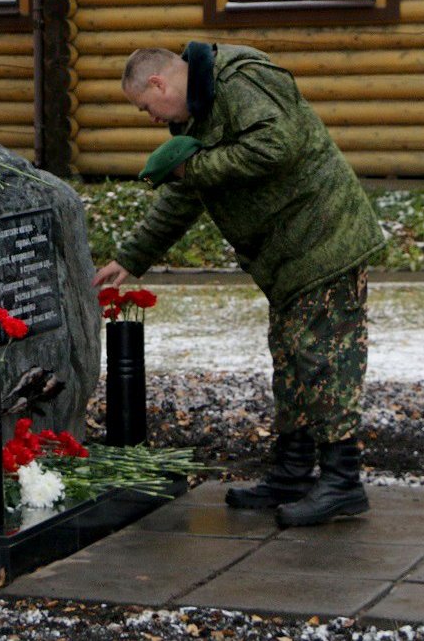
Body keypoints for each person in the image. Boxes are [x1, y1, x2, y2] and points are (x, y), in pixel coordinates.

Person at [92, 43, 386, 528]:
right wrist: (131, 257)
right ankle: (293, 473)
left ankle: (343, 482)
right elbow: (185, 195)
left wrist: (194, 166)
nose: (151, 119)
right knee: (291, 361)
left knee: (324, 361)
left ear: (159, 83)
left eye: (146, 107)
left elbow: (276, 144)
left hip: (325, 239)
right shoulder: (194, 118)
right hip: (288, 255)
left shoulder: (238, 81)